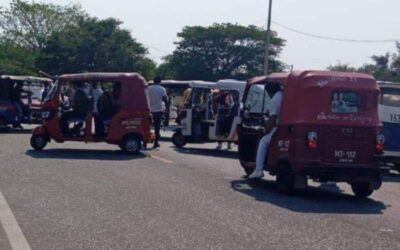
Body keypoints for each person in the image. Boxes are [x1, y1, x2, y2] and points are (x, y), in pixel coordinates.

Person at [249, 82, 283, 179]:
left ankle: (258, 169)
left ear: (269, 92)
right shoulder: (283, 95)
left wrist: (266, 130)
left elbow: (272, 120)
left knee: (263, 141)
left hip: (278, 128)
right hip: (286, 126)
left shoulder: (276, 99)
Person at [148, 76, 169, 149]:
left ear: (153, 81)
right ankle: (155, 143)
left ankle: (144, 142)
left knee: (147, 126)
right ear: (160, 82)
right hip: (158, 110)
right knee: (157, 127)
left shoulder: (149, 88)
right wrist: (167, 108)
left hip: (149, 110)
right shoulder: (162, 89)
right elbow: (165, 99)